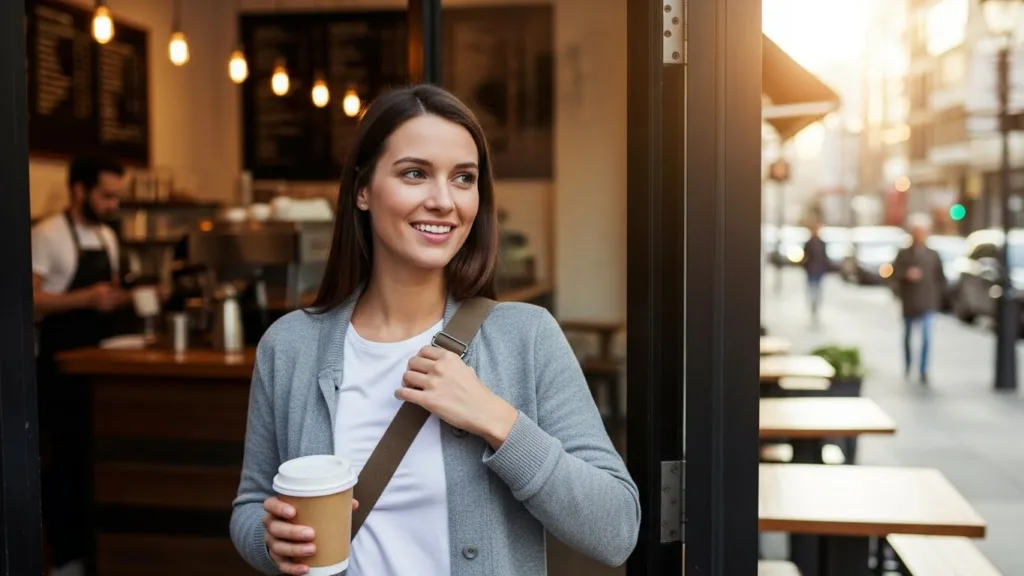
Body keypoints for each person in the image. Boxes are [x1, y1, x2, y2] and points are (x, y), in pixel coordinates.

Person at [230, 85, 640, 576]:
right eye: (415, 173)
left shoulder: (525, 338)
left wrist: (498, 422)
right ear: (362, 190)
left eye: (463, 178)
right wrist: (269, 539)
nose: (443, 200)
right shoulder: (290, 346)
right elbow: (252, 503)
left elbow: (617, 529)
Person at [32, 155, 128, 576]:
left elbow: (108, 291)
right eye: (106, 195)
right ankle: (66, 559)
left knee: (97, 460)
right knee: (65, 463)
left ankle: (97, 554)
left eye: (116, 197)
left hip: (100, 366)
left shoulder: (108, 237)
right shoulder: (47, 234)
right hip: (56, 368)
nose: (112, 205)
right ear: (78, 190)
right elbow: (28, 299)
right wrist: (86, 298)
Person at [892, 216, 946, 384]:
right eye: (917, 232)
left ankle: (923, 369)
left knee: (926, 337)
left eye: (923, 232)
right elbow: (893, 275)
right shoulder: (904, 254)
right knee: (908, 336)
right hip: (909, 302)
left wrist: (939, 298)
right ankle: (908, 364)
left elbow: (940, 278)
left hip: (928, 302)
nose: (920, 235)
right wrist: (906, 276)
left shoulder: (933, 255)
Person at [801, 222, 829, 322]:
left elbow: (825, 257)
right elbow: (804, 257)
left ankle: (816, 305)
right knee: (812, 289)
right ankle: (812, 305)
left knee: (818, 289)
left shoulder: (822, 243)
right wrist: (806, 266)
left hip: (819, 270)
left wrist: (825, 267)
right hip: (811, 270)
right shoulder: (809, 243)